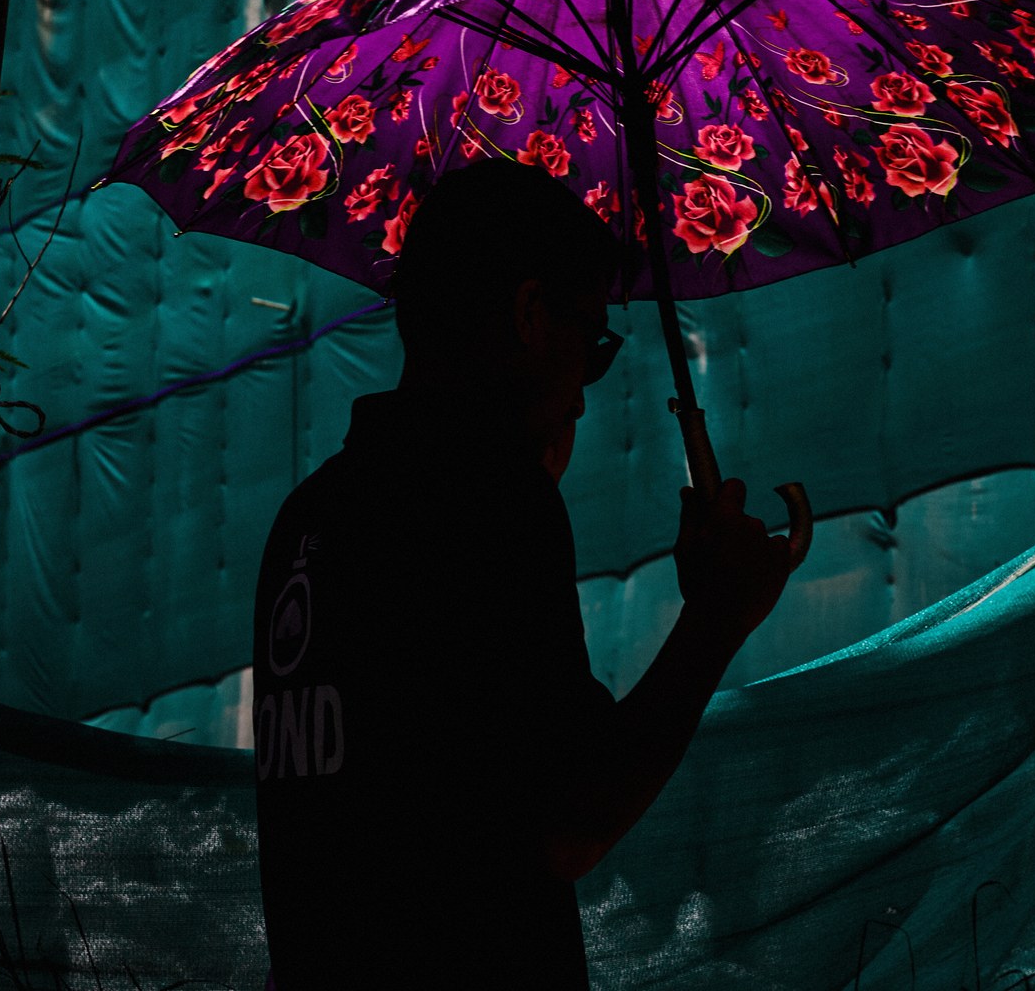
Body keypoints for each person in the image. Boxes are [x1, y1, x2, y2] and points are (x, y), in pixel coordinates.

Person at [249, 159, 796, 988]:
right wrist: (719, 616)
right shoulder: (484, 501)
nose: (584, 391)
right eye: (594, 341)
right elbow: (572, 820)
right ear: (532, 315)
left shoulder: (309, 519)